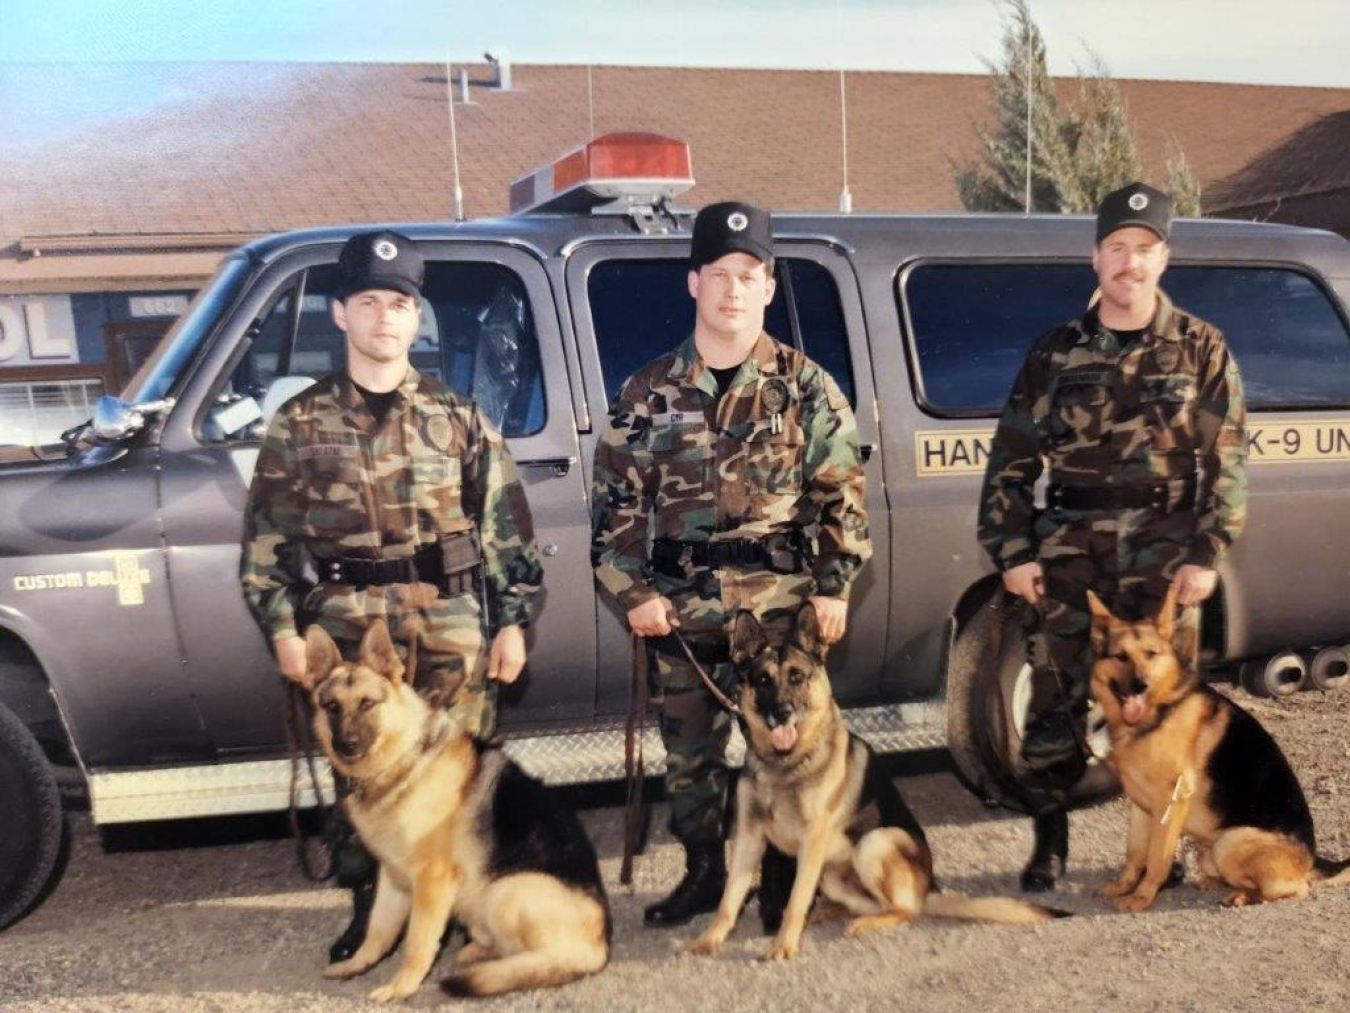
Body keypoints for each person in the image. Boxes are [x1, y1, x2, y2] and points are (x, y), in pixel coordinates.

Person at [240, 230, 543, 961]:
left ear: (417, 317)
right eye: (368, 302)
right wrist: (281, 625)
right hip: (345, 632)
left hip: (449, 632)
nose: (385, 317)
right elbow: (267, 541)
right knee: (360, 776)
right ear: (340, 313)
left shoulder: (458, 416)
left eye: (400, 303)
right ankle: (370, 908)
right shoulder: (299, 424)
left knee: (461, 783)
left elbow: (507, 532)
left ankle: (470, 911)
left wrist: (515, 623)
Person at [591, 201, 871, 927]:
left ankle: (780, 880)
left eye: (749, 275)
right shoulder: (646, 391)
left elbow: (841, 495)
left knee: (787, 744)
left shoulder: (807, 389)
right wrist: (634, 595)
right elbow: (615, 513)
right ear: (693, 283)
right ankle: (705, 872)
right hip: (680, 610)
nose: (733, 290)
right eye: (719, 273)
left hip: (780, 609)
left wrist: (836, 585)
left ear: (770, 286)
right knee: (689, 758)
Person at [977, 182, 1247, 891]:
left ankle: (1176, 844)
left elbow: (1229, 459)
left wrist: (1207, 552)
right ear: (1095, 257)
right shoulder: (1055, 352)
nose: (1130, 263)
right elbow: (1010, 458)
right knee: (1055, 699)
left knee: (1168, 708)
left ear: (1165, 258)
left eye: (1145, 249)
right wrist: (1013, 552)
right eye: (1117, 248)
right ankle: (1050, 842)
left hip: (1166, 557)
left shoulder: (1201, 348)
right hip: (1071, 552)